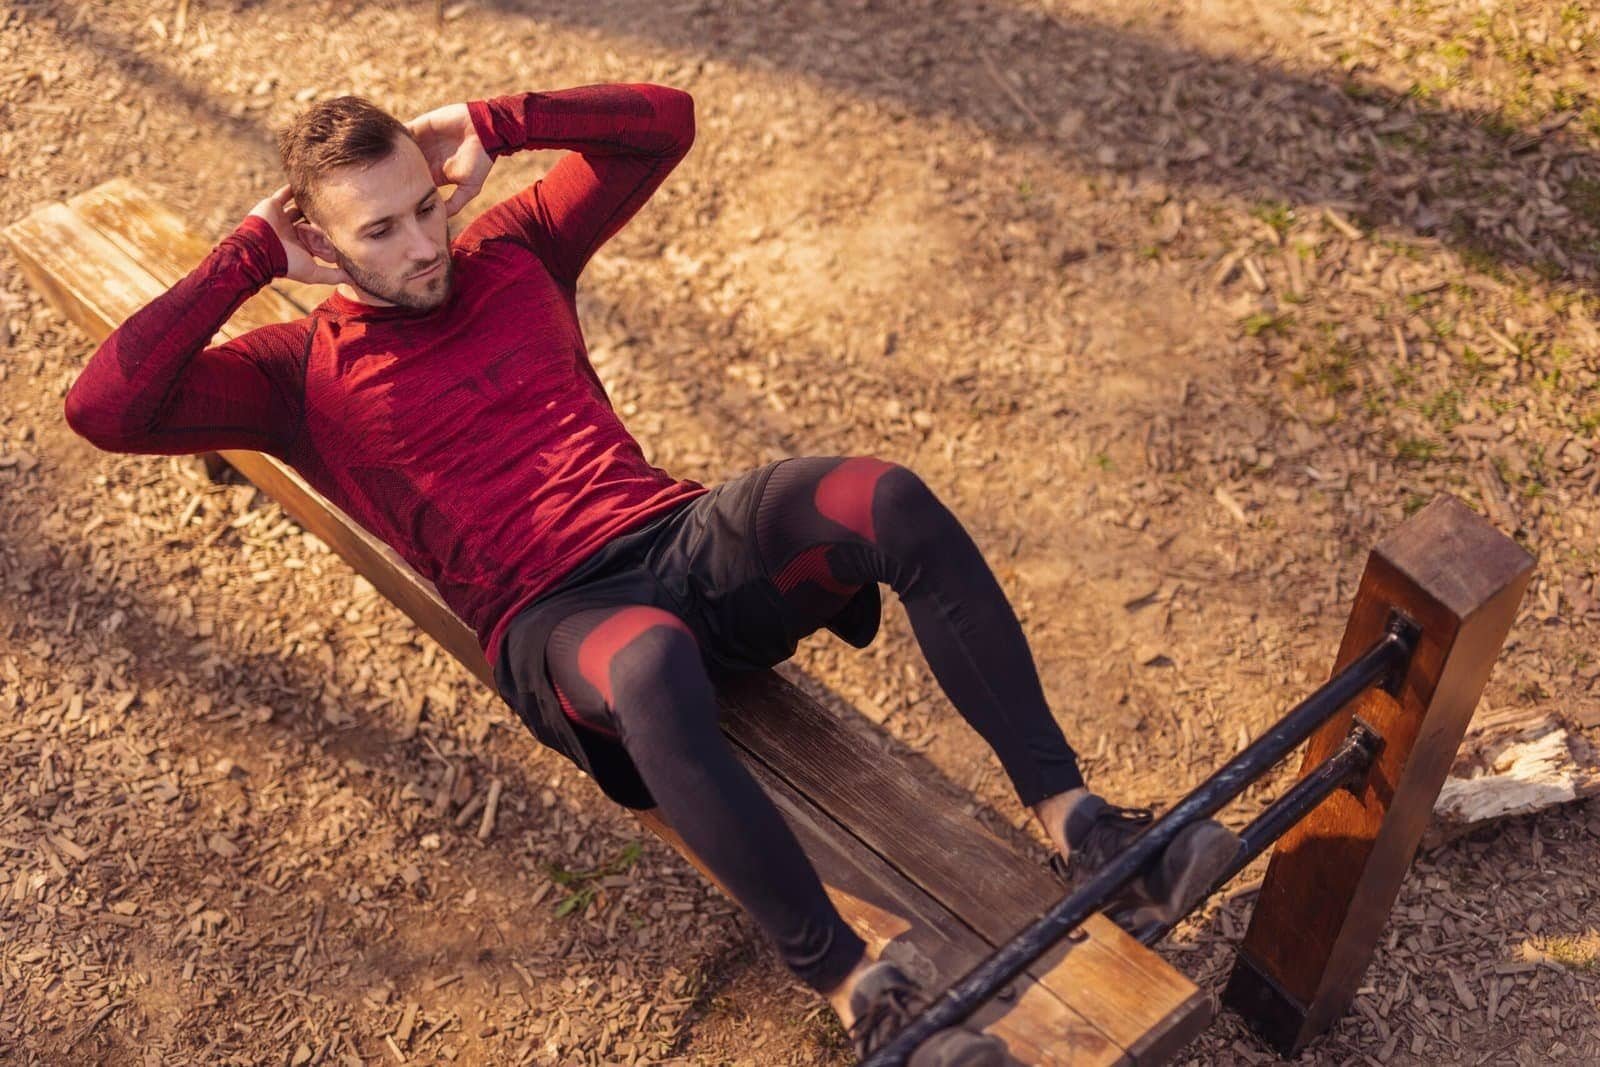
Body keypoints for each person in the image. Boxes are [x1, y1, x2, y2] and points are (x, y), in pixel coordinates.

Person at [63, 82, 1238, 1064]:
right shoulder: (289, 374)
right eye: (379, 231)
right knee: (653, 660)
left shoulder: (515, 247)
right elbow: (104, 406)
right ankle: (858, 992)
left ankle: (1085, 824)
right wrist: (246, 255)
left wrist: (495, 120)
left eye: (424, 209)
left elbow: (663, 123)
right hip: (556, 620)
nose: (422, 246)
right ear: (315, 243)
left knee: (880, 495)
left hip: (676, 538)